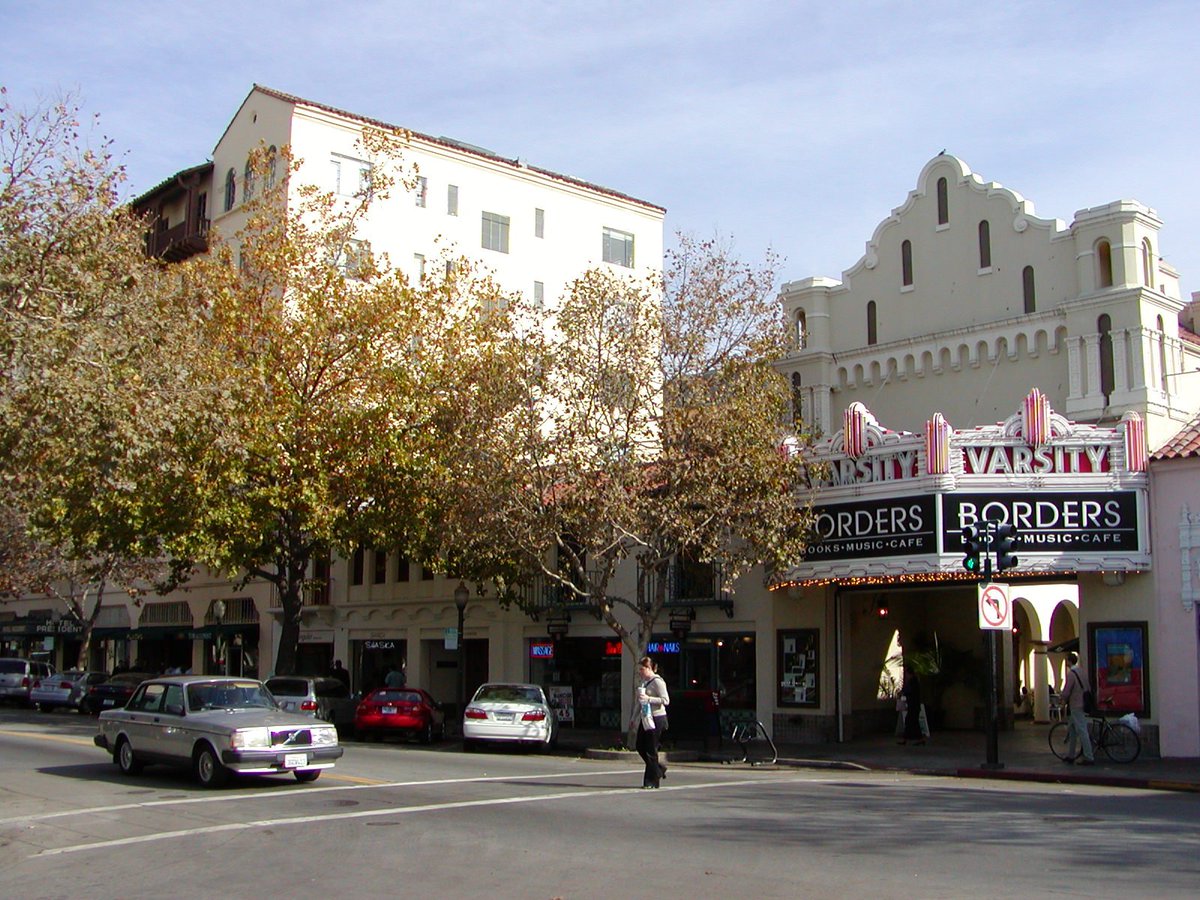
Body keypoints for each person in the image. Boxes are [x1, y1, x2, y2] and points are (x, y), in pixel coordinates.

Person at [629, 656, 670, 789]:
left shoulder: (658, 682)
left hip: (657, 718)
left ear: (649, 668)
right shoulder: (643, 682)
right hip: (645, 717)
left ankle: (651, 781)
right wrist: (633, 719)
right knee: (640, 745)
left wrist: (649, 698)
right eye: (639, 669)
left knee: (651, 749)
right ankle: (657, 769)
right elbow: (639, 702)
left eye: (642, 669)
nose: (640, 672)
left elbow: (665, 700)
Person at [1060, 651, 1094, 765]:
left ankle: (1089, 756)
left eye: (1067, 660)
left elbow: (1067, 690)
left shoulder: (1071, 674)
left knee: (1082, 730)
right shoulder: (1082, 672)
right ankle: (1071, 755)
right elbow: (1088, 687)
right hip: (1083, 703)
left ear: (1069, 661)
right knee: (1073, 730)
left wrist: (1062, 698)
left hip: (1076, 705)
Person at [898, 663, 925, 745]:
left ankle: (912, 739)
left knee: (911, 721)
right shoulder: (914, 681)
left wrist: (902, 693)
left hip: (913, 705)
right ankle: (909, 739)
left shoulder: (912, 682)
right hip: (913, 705)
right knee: (911, 721)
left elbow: (908, 691)